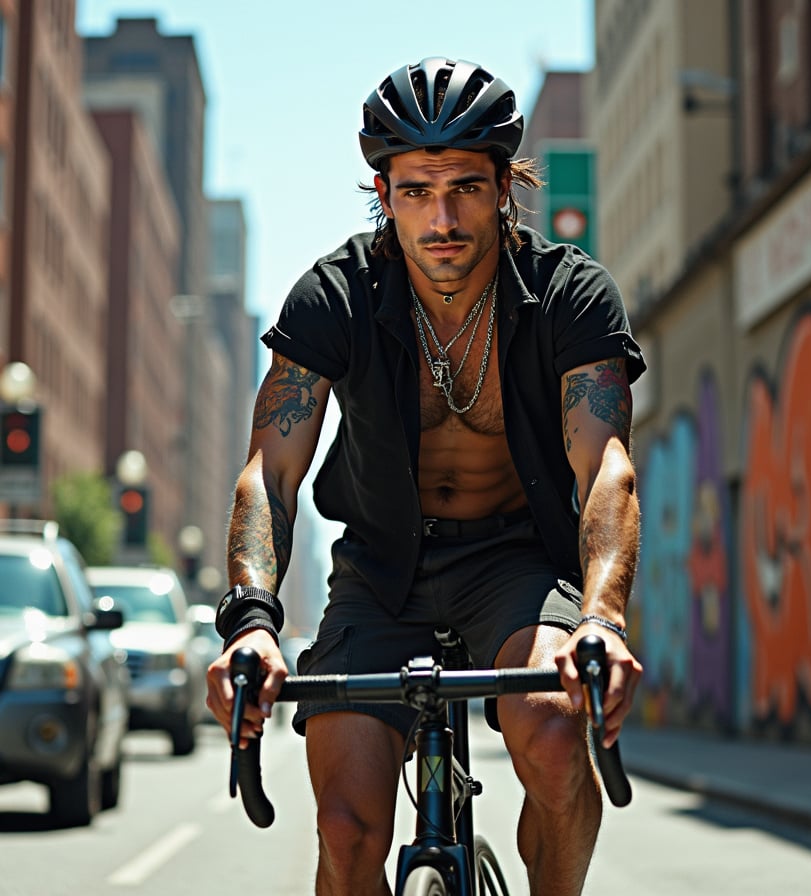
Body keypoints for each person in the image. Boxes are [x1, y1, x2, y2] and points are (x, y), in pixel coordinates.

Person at [207, 56, 646, 896]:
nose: (441, 218)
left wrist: (602, 620)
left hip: (517, 563)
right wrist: (253, 623)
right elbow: (270, 473)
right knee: (344, 826)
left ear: (504, 185)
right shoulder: (334, 297)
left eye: (465, 189)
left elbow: (606, 469)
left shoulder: (570, 294)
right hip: (381, 572)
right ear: (383, 194)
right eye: (416, 191)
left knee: (558, 736)